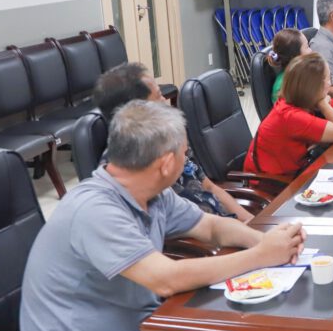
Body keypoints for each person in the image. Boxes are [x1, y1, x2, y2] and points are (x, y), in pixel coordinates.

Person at [20, 100, 305, 331]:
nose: (187, 160)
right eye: (185, 153)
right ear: (167, 163)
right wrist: (262, 256)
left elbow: (210, 226)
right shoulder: (95, 211)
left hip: (136, 324)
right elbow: (165, 280)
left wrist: (264, 241)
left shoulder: (151, 193)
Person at [93, 62, 253, 222]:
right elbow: (193, 226)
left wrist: (250, 222)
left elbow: (208, 186)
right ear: (138, 111)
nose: (165, 100)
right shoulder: (132, 173)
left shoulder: (170, 138)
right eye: (158, 96)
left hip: (222, 224)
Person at [245, 53, 333, 179]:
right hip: (274, 182)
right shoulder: (291, 116)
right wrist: (324, 105)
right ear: (314, 86)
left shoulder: (306, 98)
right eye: (328, 79)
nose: (330, 84)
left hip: (299, 168)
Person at [268, 27, 312, 104]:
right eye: (307, 47)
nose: (311, 50)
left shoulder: (301, 73)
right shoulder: (284, 86)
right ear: (295, 57)